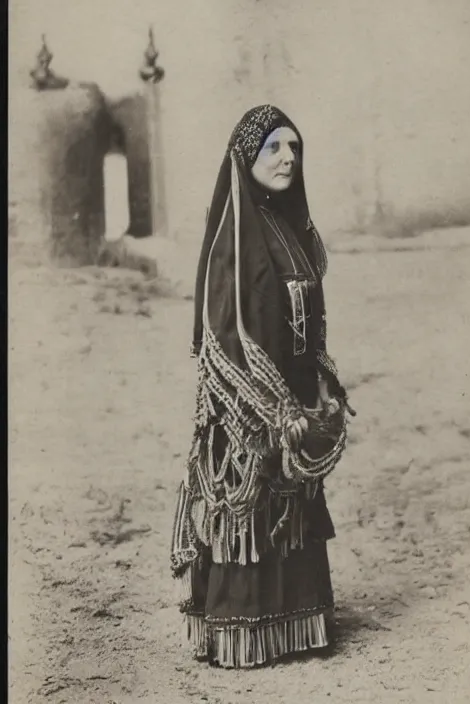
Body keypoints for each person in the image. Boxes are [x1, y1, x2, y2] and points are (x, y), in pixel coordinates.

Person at [171, 105, 353, 669]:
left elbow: (308, 324)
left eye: (294, 148)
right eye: (274, 148)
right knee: (252, 511)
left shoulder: (287, 226)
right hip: (250, 412)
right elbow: (225, 336)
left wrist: (322, 383)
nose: (288, 159)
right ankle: (241, 632)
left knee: (293, 515)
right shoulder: (236, 234)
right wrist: (273, 409)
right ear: (246, 156)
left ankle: (298, 625)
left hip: (295, 404)